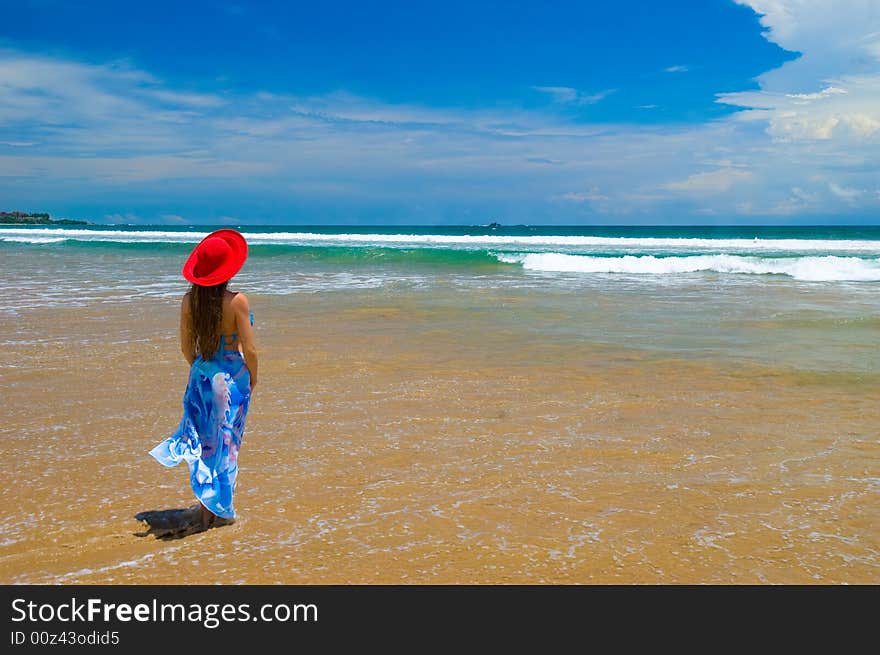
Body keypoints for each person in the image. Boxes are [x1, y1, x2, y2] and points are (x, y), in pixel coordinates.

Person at [149, 228, 258, 531]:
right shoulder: (237, 301)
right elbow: (249, 348)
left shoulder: (189, 302)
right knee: (226, 445)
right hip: (231, 379)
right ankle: (218, 511)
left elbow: (186, 347)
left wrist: (201, 371)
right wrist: (253, 378)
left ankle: (207, 507)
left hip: (201, 376)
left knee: (205, 445)